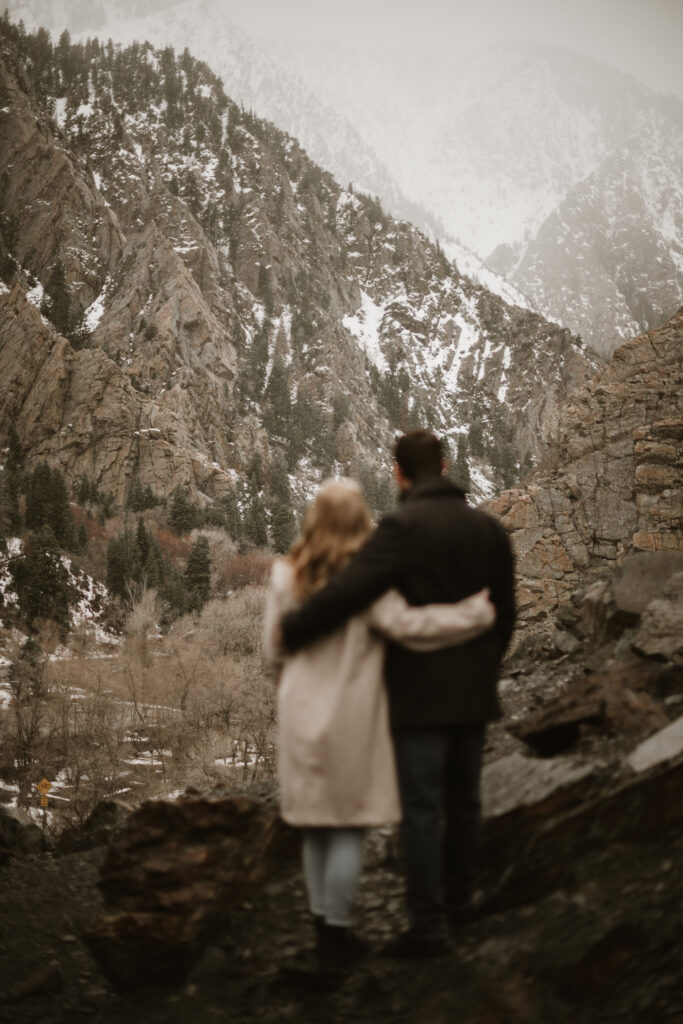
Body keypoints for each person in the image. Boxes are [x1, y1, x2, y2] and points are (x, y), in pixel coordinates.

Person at [280, 431, 516, 958]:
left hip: (417, 697)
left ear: (398, 473)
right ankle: (462, 906)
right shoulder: (489, 530)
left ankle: (426, 929)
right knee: (466, 802)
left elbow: (350, 590)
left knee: (422, 811)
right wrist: (483, 666)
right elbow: (506, 614)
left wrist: (294, 629)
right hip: (474, 693)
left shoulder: (401, 529)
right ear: (446, 465)